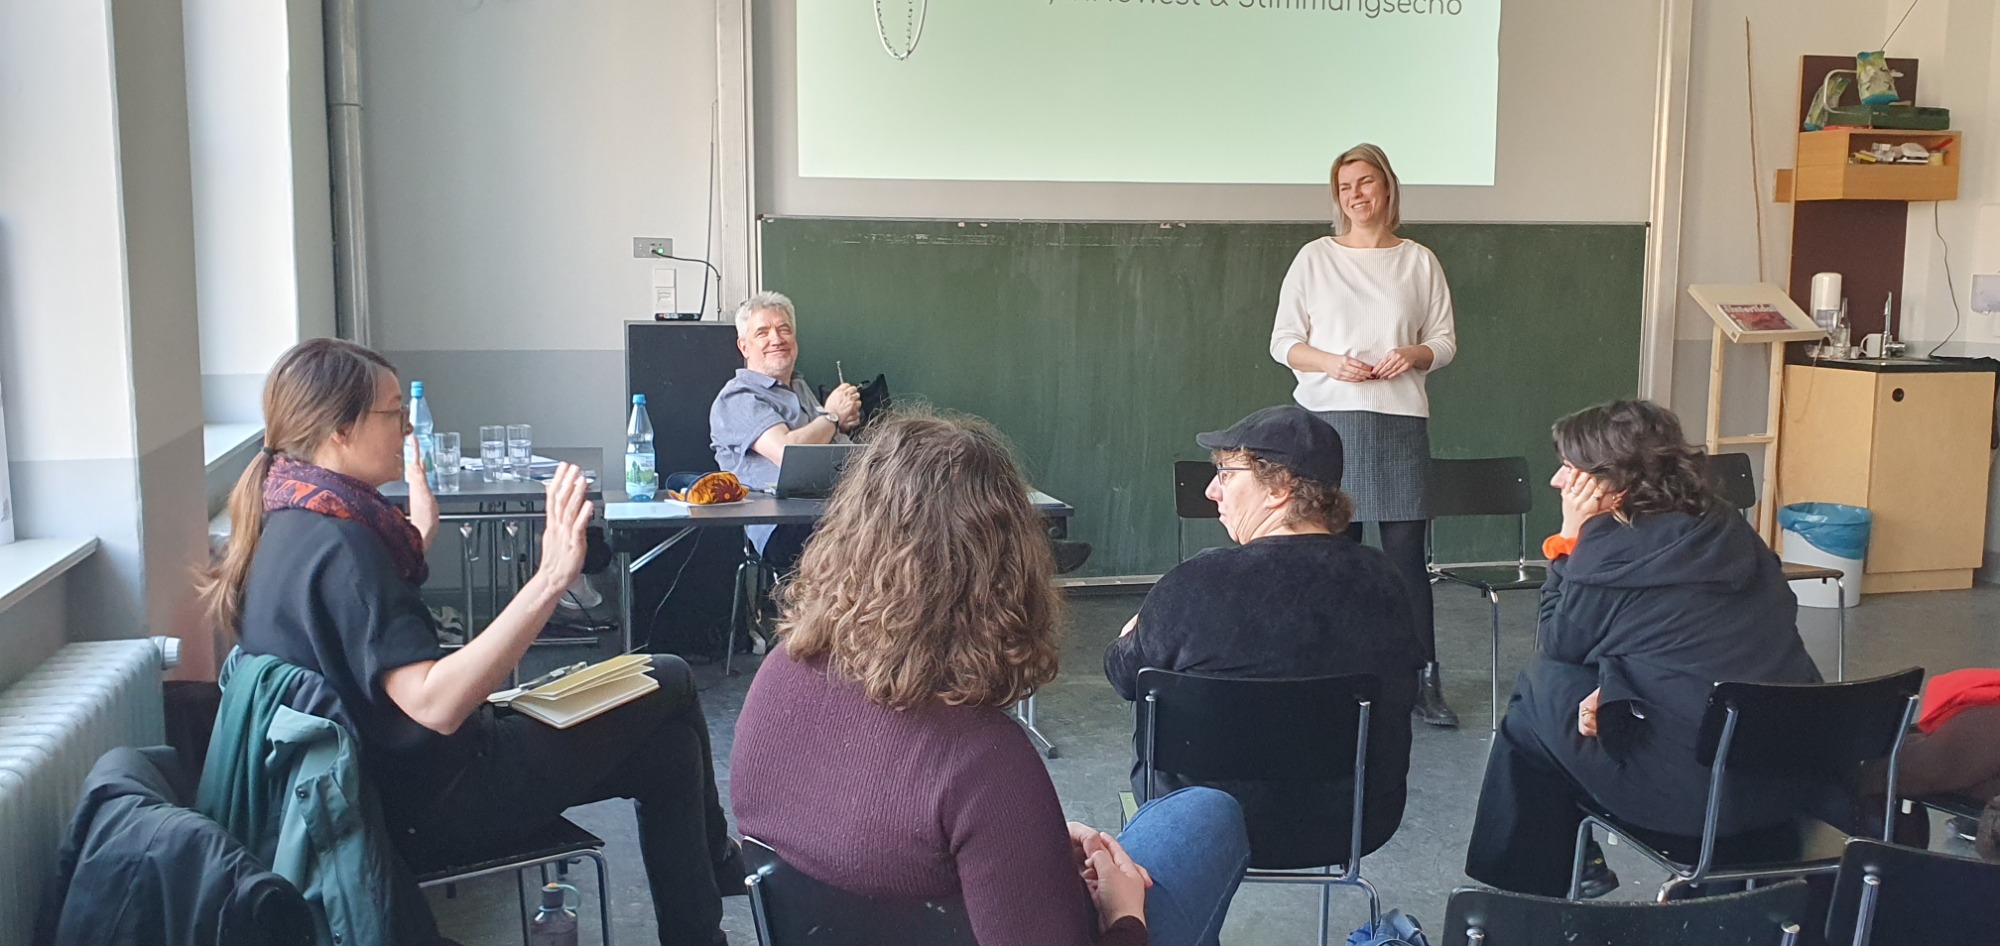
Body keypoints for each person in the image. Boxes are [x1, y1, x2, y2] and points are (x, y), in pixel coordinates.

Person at [201, 338, 738, 946]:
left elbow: (358, 639)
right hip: (440, 801)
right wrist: (550, 579)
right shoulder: (346, 549)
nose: (408, 429)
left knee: (670, 752)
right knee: (668, 674)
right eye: (394, 413)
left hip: (390, 790)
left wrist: (415, 542)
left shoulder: (288, 519)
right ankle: (724, 864)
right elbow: (434, 703)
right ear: (339, 429)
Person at [731, 408, 1251, 946]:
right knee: (1206, 816)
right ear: (1010, 571)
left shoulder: (777, 675)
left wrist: (1029, 846)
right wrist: (1125, 917)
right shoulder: (984, 762)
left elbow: (873, 841)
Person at [1462, 400, 1822, 898]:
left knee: (1538, 690)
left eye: (1569, 469)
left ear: (1611, 483)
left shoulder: (1610, 548)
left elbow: (1559, 639)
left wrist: (1569, 540)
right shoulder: (1727, 527)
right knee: (1570, 691)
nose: (1556, 481)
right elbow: (1678, 638)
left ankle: (1539, 885)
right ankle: (1569, 865)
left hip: (1695, 803)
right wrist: (1611, 682)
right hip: (1787, 780)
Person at [1104, 405, 1422, 867]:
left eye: (1226, 474)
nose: (1211, 491)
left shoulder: (1192, 585)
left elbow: (1123, 676)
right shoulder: (1386, 582)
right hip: (1352, 823)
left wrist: (1136, 632)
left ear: (1279, 487)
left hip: (1199, 826)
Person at [1270, 143, 1461, 727]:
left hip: (1399, 420)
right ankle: (1338, 676)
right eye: (1345, 186)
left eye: (1366, 182)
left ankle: (1422, 681)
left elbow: (1444, 341)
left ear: (1388, 188)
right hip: (1329, 421)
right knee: (1335, 554)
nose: (1356, 195)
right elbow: (1283, 342)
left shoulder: (1419, 261)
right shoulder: (1315, 258)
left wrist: (1414, 354)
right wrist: (1331, 362)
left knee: (1405, 558)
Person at [709, 291, 861, 571]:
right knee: (885, 545)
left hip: (835, 509)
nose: (776, 339)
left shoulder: (799, 387)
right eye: (763, 333)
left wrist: (840, 427)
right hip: (786, 525)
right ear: (744, 346)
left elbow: (826, 447)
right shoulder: (738, 397)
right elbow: (787, 451)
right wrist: (832, 417)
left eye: (784, 330)